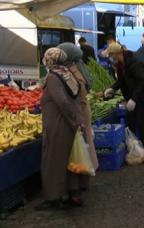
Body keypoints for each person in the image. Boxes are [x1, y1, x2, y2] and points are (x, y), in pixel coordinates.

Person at [38, 48, 84, 210]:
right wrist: (77, 121)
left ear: (50, 61)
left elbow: (62, 102)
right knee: (69, 160)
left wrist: (73, 121)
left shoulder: (53, 77)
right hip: (69, 123)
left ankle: (53, 198)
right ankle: (73, 192)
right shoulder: (67, 73)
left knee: (53, 161)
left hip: (59, 124)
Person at [57, 43, 99, 185]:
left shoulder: (70, 73)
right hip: (83, 111)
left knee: (79, 149)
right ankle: (86, 176)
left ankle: (80, 181)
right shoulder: (79, 68)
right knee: (86, 144)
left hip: (78, 112)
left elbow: (68, 97)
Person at [104, 43, 144, 154]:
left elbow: (142, 82)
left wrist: (133, 99)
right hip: (135, 94)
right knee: (130, 120)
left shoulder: (134, 62)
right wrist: (112, 88)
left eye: (111, 55)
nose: (110, 58)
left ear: (117, 54)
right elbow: (121, 80)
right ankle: (133, 146)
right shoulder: (120, 64)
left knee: (142, 121)